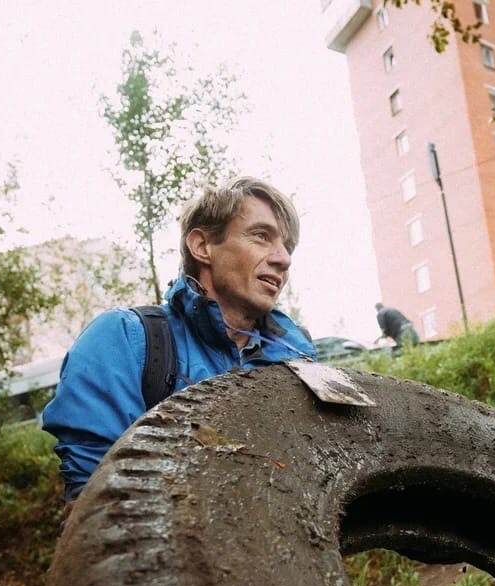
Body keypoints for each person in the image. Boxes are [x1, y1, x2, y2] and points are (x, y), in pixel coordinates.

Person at [42, 176, 316, 500]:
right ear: (202, 246)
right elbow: (103, 504)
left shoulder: (300, 360)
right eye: (261, 236)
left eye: (288, 246)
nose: (283, 259)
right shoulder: (124, 341)